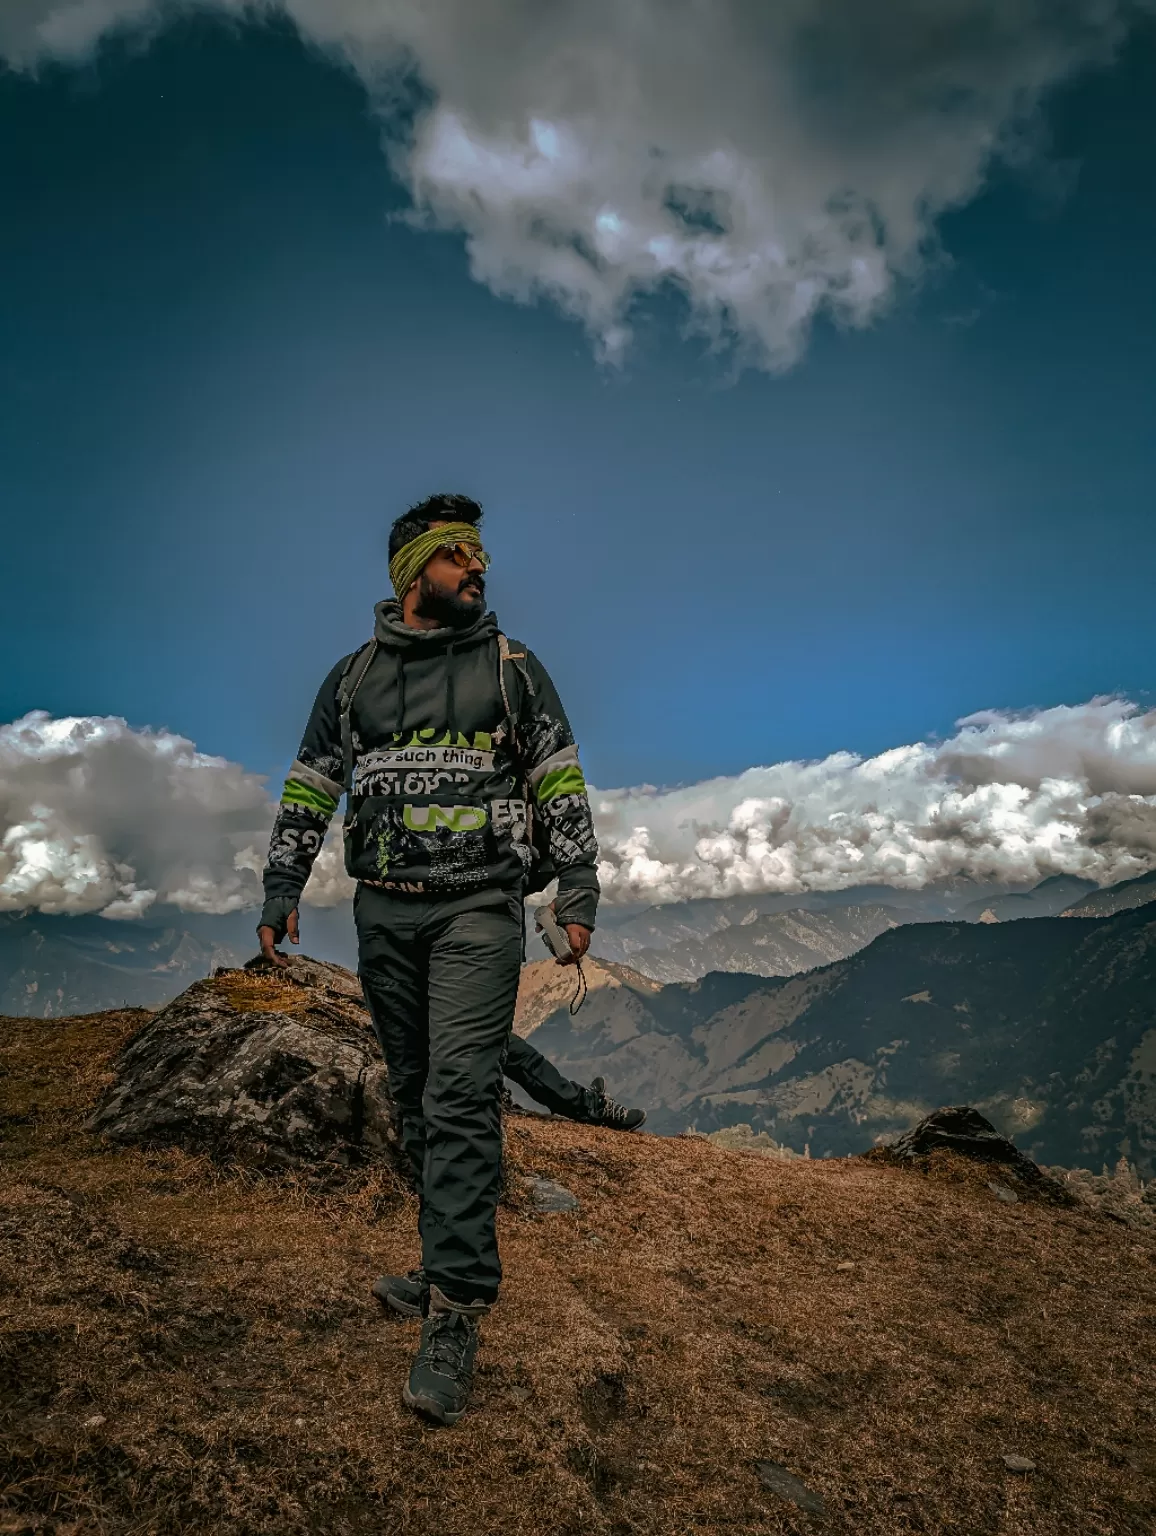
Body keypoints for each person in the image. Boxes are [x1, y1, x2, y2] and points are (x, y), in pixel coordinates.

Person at [257, 493, 600, 1426]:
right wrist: (281, 885)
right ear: (414, 576)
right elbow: (312, 782)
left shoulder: (512, 667)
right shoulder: (352, 678)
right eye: (459, 558)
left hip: (481, 911)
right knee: (412, 1094)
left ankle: (456, 1309)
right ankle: (440, 1261)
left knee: (458, 1096)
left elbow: (557, 775)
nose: (478, 570)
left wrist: (577, 892)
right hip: (385, 915)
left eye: (480, 557)